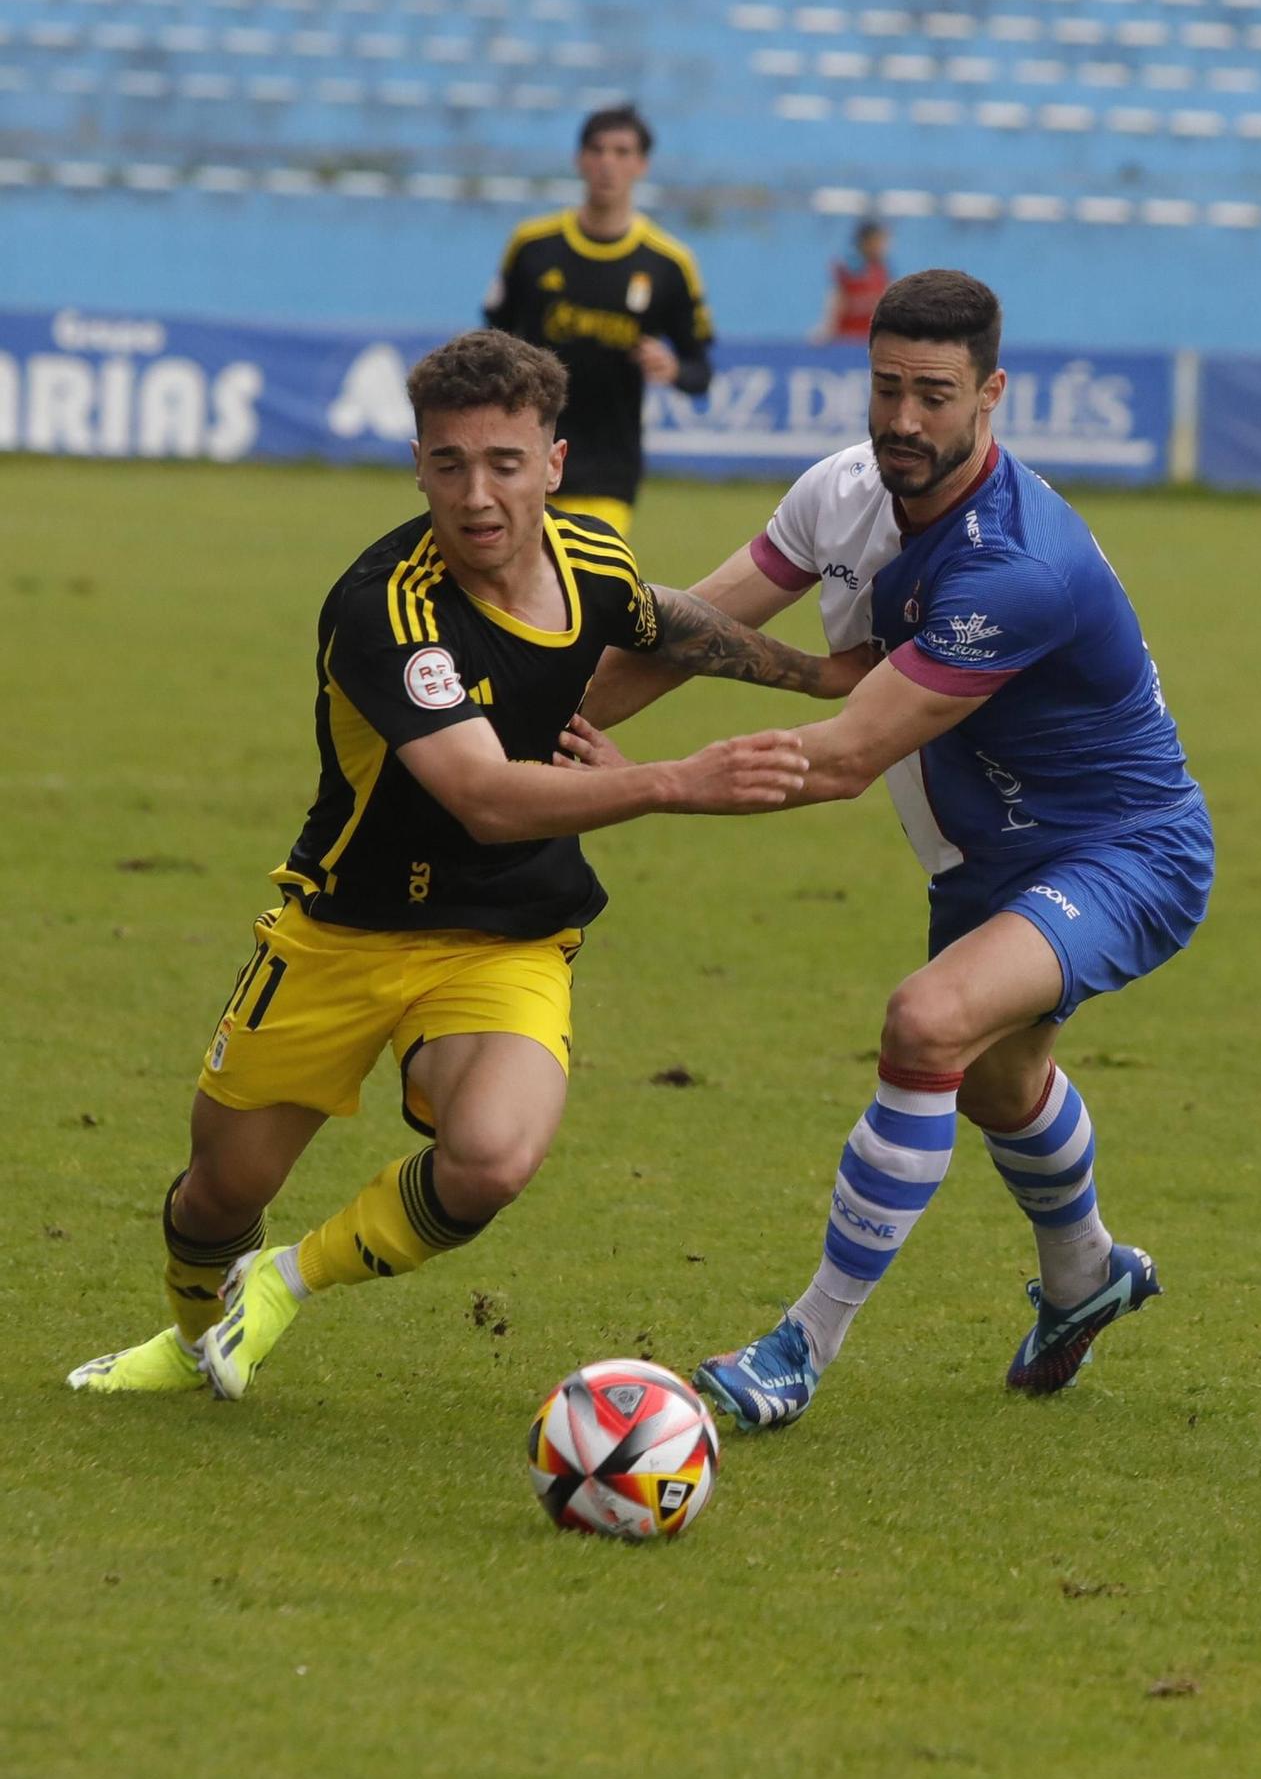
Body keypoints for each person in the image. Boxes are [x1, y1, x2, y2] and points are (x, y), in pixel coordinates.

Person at [67, 328, 869, 1401]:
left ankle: (285, 1282)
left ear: (552, 462)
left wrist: (815, 675)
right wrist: (679, 778)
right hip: (342, 931)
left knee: (491, 1156)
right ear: (419, 466)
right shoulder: (386, 606)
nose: (476, 493)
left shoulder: (588, 556)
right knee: (220, 1188)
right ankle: (185, 1339)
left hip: (508, 932)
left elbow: (663, 617)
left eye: (502, 463)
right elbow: (487, 797)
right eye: (448, 463)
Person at [567, 268, 1214, 1419]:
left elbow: (844, 756)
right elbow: (695, 630)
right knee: (1001, 1084)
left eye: (934, 395)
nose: (904, 420)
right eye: (886, 389)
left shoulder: (1015, 568)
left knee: (926, 1022)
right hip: (983, 853)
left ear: (991, 394)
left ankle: (801, 1346)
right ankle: (1086, 1276)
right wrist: (529, 736)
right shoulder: (842, 492)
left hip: (1124, 849)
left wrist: (645, 788)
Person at [483, 102, 713, 541]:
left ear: (641, 164)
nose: (608, 162)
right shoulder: (533, 246)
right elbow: (493, 341)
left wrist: (674, 369)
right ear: (579, 159)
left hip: (609, 466)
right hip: (523, 453)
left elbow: (700, 371)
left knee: (579, 588)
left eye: (623, 151)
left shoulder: (669, 263)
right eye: (597, 149)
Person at [813, 220, 891, 343]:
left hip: (869, 340)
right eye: (879, 241)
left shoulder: (883, 269)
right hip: (846, 340)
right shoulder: (847, 268)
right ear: (866, 242)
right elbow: (836, 300)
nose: (884, 246)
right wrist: (826, 329)